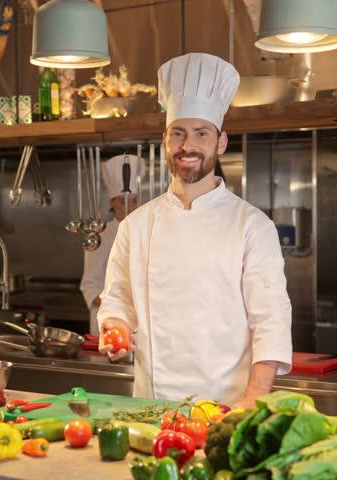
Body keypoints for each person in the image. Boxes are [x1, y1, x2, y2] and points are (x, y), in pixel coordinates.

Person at [96, 53, 293, 408]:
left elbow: (271, 322)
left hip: (226, 410)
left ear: (220, 143)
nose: (188, 146)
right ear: (165, 141)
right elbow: (117, 300)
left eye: (201, 134)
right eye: (179, 134)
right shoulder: (136, 226)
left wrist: (251, 404)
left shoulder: (251, 226)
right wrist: (117, 329)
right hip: (151, 410)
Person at [79, 154, 146, 335]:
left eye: (134, 201)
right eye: (123, 201)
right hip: (109, 325)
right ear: (112, 203)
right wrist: (123, 304)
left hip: (141, 324)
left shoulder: (145, 234)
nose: (130, 207)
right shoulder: (100, 236)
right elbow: (90, 287)